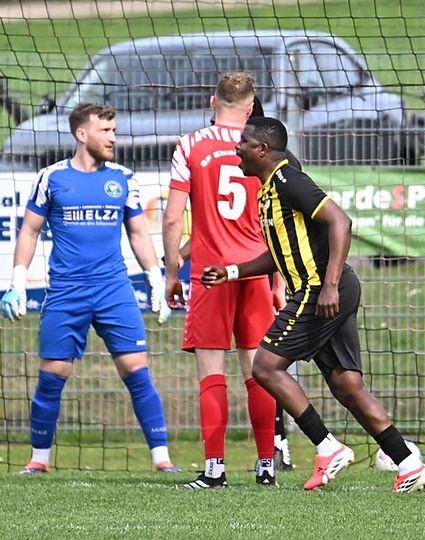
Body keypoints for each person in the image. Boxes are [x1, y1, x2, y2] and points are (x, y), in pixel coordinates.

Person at [201, 116, 425, 493]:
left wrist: (328, 286)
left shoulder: (287, 180)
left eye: (243, 142)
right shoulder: (268, 191)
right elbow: (280, 253)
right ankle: (409, 464)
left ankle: (328, 447)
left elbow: (341, 221)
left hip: (320, 290)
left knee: (265, 366)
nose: (236, 148)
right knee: (347, 385)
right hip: (329, 289)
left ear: (262, 150)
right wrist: (231, 272)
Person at [0, 102, 177, 474]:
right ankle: (38, 461)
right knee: (52, 375)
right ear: (82, 134)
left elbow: (138, 233)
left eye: (114, 131)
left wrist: (156, 280)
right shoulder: (51, 178)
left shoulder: (124, 179)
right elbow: (29, 230)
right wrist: (16, 282)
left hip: (114, 290)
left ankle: (162, 460)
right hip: (66, 292)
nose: (113, 138)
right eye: (105, 131)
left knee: (137, 372)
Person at [162, 73, 282, 488]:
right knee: (258, 370)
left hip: (211, 273)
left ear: (213, 102)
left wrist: (172, 273)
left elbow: (173, 218)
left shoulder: (191, 145)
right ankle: (266, 467)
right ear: (250, 108)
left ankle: (215, 469)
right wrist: (279, 280)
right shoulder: (262, 149)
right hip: (256, 270)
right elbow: (276, 219)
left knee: (211, 370)